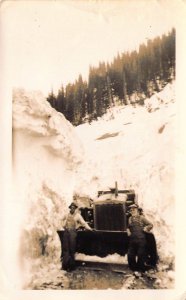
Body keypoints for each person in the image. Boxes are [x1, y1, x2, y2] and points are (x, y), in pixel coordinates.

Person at [62, 202, 92, 271]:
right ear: (70, 208)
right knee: (66, 250)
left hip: (73, 233)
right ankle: (65, 266)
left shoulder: (78, 216)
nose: (72, 209)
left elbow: (84, 223)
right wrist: (63, 226)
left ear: (75, 208)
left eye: (74, 207)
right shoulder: (66, 215)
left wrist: (89, 229)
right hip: (66, 233)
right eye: (71, 207)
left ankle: (71, 267)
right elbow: (61, 221)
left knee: (72, 250)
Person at [127, 204, 153, 275]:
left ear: (137, 210)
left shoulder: (142, 218)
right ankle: (134, 270)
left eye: (134, 210)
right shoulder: (130, 219)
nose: (132, 211)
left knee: (141, 255)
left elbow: (150, 224)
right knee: (130, 255)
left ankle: (140, 270)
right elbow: (128, 227)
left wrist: (146, 228)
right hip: (132, 240)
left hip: (141, 240)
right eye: (131, 210)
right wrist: (128, 230)